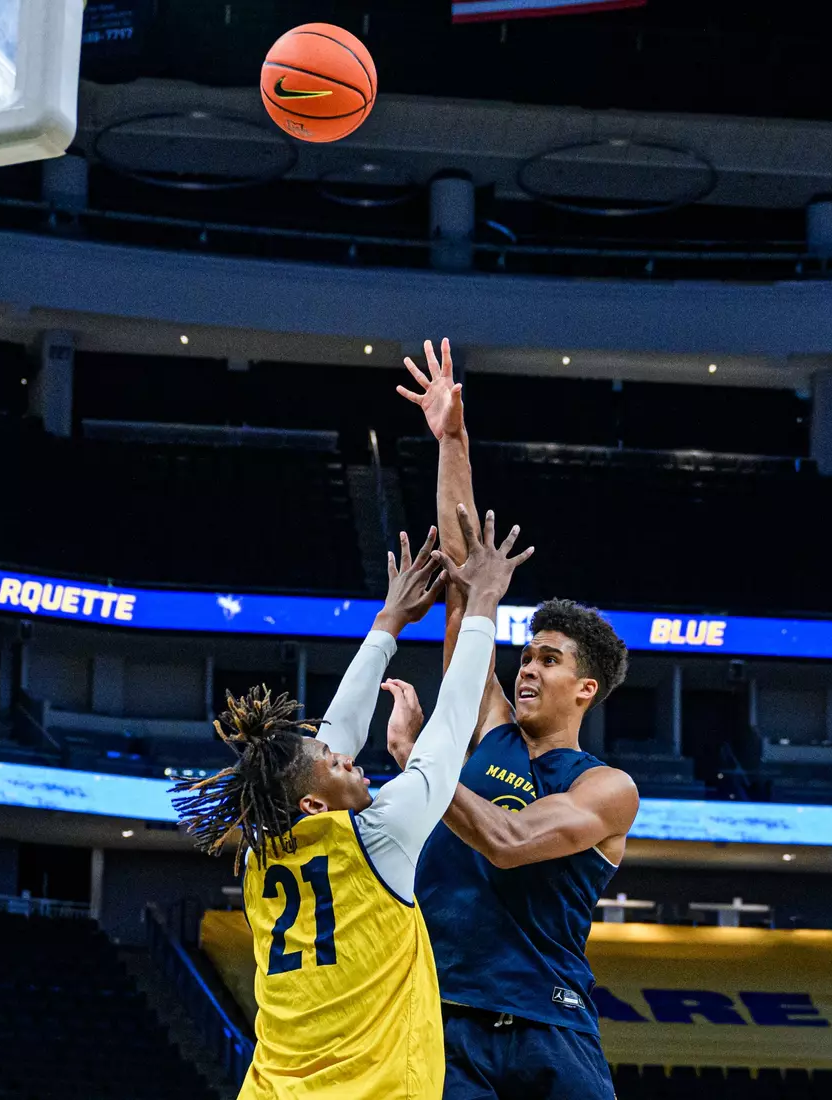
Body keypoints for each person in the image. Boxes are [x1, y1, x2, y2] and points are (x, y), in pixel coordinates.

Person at [171, 518, 533, 1100]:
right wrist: (485, 601)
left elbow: (334, 732)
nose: (347, 758)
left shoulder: (268, 845)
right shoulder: (380, 836)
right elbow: (453, 718)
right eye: (335, 762)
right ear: (313, 802)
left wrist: (389, 622)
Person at [392, 339, 639, 1100]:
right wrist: (453, 441)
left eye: (548, 661)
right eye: (525, 656)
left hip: (551, 1032)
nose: (526, 668)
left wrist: (417, 771)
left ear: (586, 690)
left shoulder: (607, 790)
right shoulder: (487, 724)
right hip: (446, 1026)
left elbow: (506, 842)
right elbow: (467, 577)